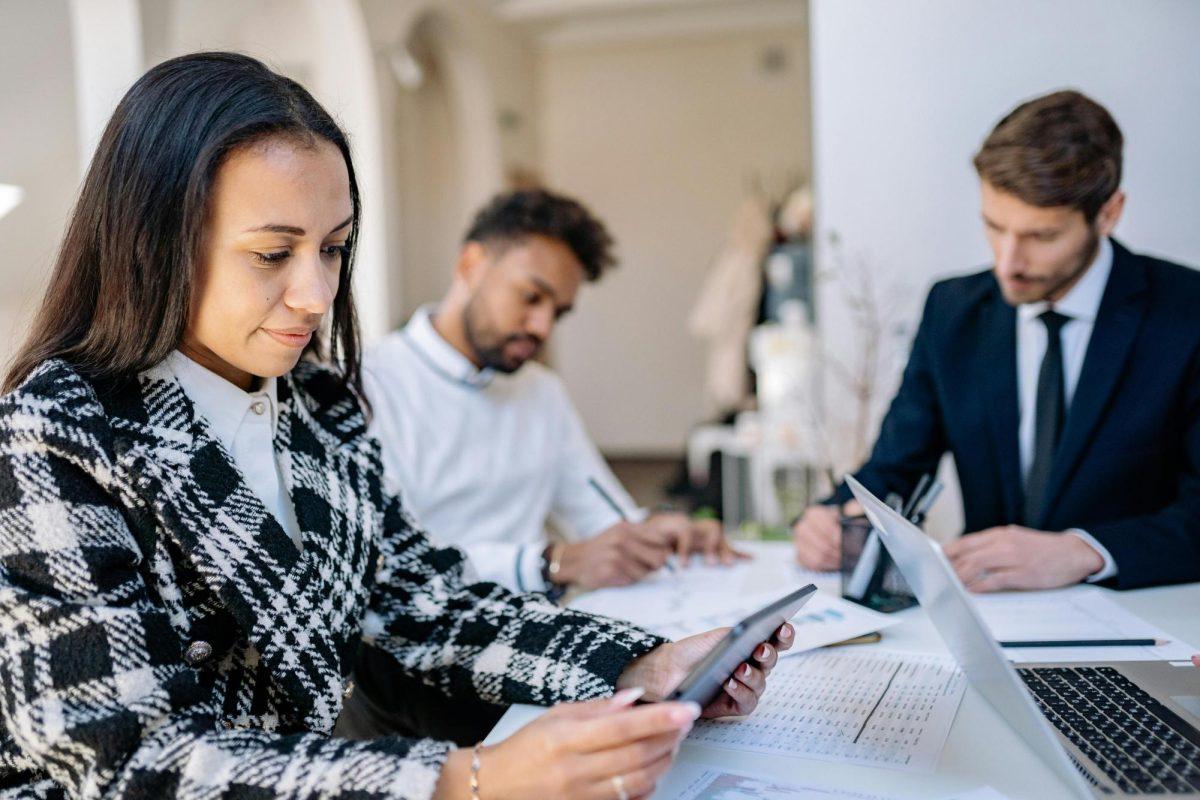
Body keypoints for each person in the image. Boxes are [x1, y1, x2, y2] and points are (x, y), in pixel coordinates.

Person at [0, 52, 792, 800]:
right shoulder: (55, 434)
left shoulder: (319, 406)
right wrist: (467, 780)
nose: (315, 294)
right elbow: (133, 763)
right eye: (273, 254)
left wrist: (640, 666)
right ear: (154, 243)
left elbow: (421, 602)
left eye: (334, 248)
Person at [793, 89, 1200, 592]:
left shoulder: (1187, 312)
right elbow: (895, 469)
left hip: (1146, 618)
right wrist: (834, 517)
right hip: (987, 617)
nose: (1008, 262)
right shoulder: (952, 310)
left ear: (1109, 213)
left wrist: (1085, 552)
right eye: (994, 226)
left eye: (1041, 236)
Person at [364, 188, 742, 598]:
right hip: (419, 643)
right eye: (531, 297)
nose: (543, 327)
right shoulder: (369, 385)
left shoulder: (540, 391)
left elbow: (605, 517)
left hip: (537, 628)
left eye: (558, 312)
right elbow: (384, 562)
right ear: (470, 265)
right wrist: (552, 562)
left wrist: (660, 532)